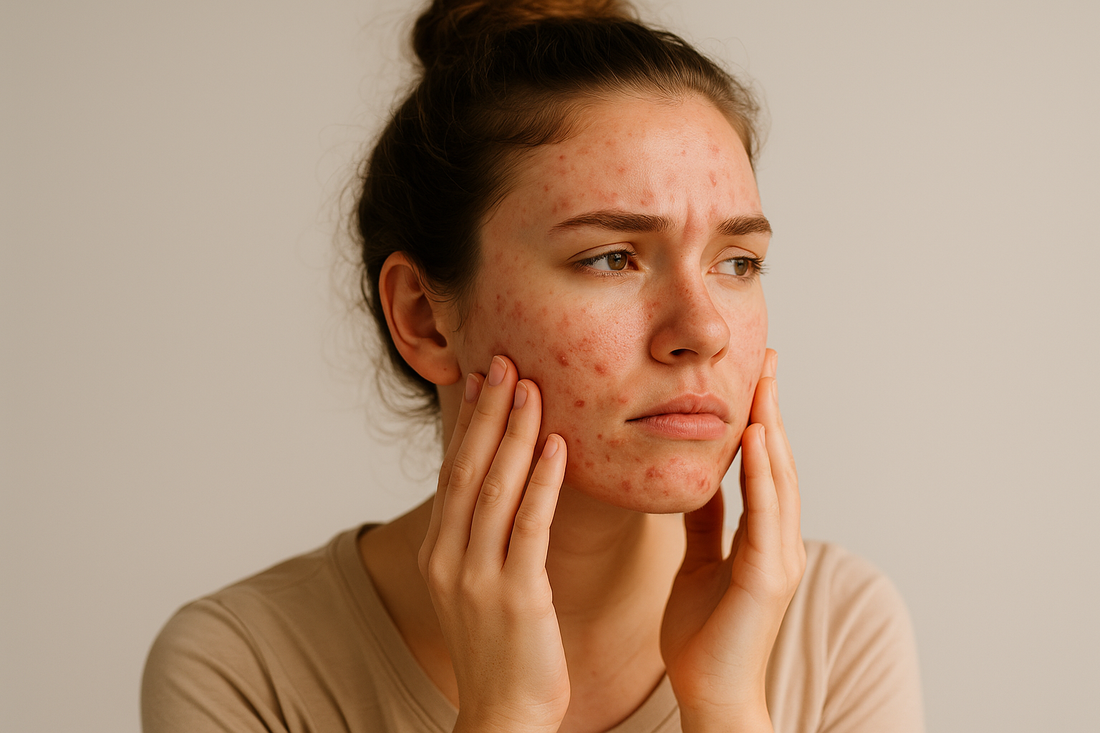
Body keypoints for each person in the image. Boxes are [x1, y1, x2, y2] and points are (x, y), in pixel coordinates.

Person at [141, 1, 924, 731]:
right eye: (611, 257)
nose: (704, 329)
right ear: (424, 317)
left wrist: (725, 704)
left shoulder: (836, 628)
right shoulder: (243, 668)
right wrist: (504, 711)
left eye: (738, 262)